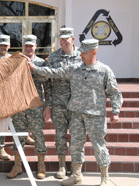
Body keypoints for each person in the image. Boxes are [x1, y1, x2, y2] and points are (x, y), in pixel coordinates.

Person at [28, 39, 123, 186]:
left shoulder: (104, 70)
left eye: (84, 53)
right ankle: (76, 175)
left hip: (95, 115)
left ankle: (105, 177)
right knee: (75, 146)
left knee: (99, 146)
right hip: (76, 114)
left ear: (94, 52)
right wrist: (35, 68)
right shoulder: (75, 68)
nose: (81, 55)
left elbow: (115, 93)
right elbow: (55, 72)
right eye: (81, 52)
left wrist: (115, 111)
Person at [7, 35, 49, 179]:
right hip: (19, 105)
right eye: (26, 46)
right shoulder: (15, 62)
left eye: (31, 46)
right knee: (18, 135)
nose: (29, 48)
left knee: (38, 134)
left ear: (36, 46)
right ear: (23, 47)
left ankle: (41, 165)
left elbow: (47, 85)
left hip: (35, 105)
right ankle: (17, 165)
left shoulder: (41, 62)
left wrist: (47, 107)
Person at [44, 28, 82, 179]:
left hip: (77, 104)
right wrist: (49, 105)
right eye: (61, 39)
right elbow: (48, 82)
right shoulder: (53, 57)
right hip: (59, 104)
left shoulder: (82, 55)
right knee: (60, 136)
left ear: (73, 39)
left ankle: (76, 167)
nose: (63, 42)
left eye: (66, 39)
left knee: (77, 137)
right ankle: (61, 166)